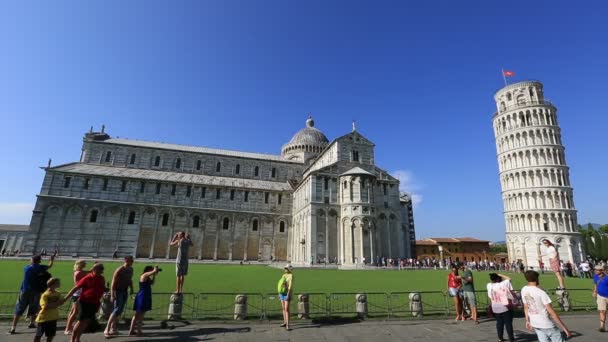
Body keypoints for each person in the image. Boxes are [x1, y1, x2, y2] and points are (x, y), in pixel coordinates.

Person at [9, 254, 55, 335]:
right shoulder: (41, 268)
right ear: (39, 261)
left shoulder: (27, 268)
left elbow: (32, 265)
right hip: (36, 291)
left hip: (25, 290)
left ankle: (13, 327)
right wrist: (51, 259)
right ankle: (31, 323)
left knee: (19, 308)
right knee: (33, 307)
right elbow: (49, 266)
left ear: (32, 260)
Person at [521, 270, 571, 342]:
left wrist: (527, 320)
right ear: (537, 278)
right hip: (546, 323)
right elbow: (552, 313)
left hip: (535, 323)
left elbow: (526, 306)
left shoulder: (524, 289)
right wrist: (564, 328)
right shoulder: (541, 293)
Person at [64, 263, 106, 342]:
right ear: (94, 269)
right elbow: (76, 288)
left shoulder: (101, 278)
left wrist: (104, 289)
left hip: (95, 303)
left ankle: (77, 339)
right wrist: (65, 298)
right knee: (81, 321)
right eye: (100, 269)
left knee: (85, 322)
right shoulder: (88, 278)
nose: (101, 270)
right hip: (85, 302)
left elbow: (101, 288)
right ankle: (72, 339)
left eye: (102, 269)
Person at [104, 256, 134, 337]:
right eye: (131, 260)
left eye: (132, 260)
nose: (132, 261)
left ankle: (113, 328)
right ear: (126, 260)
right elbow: (113, 282)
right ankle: (107, 328)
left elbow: (130, 279)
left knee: (119, 310)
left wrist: (131, 288)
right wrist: (112, 294)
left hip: (125, 291)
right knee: (116, 309)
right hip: (118, 291)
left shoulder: (131, 269)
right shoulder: (120, 269)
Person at [128, 266, 160, 336]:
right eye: (150, 270)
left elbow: (152, 283)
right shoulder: (144, 275)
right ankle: (139, 331)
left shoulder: (147, 277)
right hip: (142, 296)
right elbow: (152, 272)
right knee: (140, 315)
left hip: (144, 296)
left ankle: (132, 330)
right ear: (147, 270)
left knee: (137, 314)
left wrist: (154, 275)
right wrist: (155, 270)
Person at [34, 278, 65, 342]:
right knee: (39, 335)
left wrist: (54, 304)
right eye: (58, 283)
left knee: (50, 335)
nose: (59, 284)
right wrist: (57, 304)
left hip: (53, 318)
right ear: (52, 284)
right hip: (43, 318)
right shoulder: (45, 295)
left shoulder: (58, 293)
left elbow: (62, 302)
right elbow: (45, 307)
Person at [487, 273, 515, 342]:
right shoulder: (502, 284)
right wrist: (501, 275)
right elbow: (509, 279)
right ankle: (511, 338)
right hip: (504, 306)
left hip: (495, 307)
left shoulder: (489, 285)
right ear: (497, 278)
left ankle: (500, 338)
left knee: (499, 323)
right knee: (508, 323)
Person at [64, 260, 89, 335]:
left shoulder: (78, 271)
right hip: (79, 294)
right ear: (81, 264)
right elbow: (89, 272)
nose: (85, 265)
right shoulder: (80, 272)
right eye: (84, 264)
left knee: (73, 312)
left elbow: (88, 272)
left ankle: (68, 327)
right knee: (75, 312)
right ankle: (68, 328)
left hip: (77, 293)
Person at [277, 264, 294, 331]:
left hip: (287, 294)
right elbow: (280, 285)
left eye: (286, 268)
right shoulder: (283, 275)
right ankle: (284, 322)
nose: (285, 269)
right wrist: (279, 293)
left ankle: (287, 324)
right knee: (283, 308)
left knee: (287, 309)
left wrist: (288, 295)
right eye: (284, 268)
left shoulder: (291, 276)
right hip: (282, 293)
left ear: (289, 269)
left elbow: (290, 286)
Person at [593, 264, 608, 332]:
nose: (595, 271)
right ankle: (602, 326)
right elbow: (596, 284)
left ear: (601, 271)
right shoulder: (595, 277)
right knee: (602, 311)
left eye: (597, 270)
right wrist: (595, 291)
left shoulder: (607, 278)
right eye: (595, 269)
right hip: (600, 296)